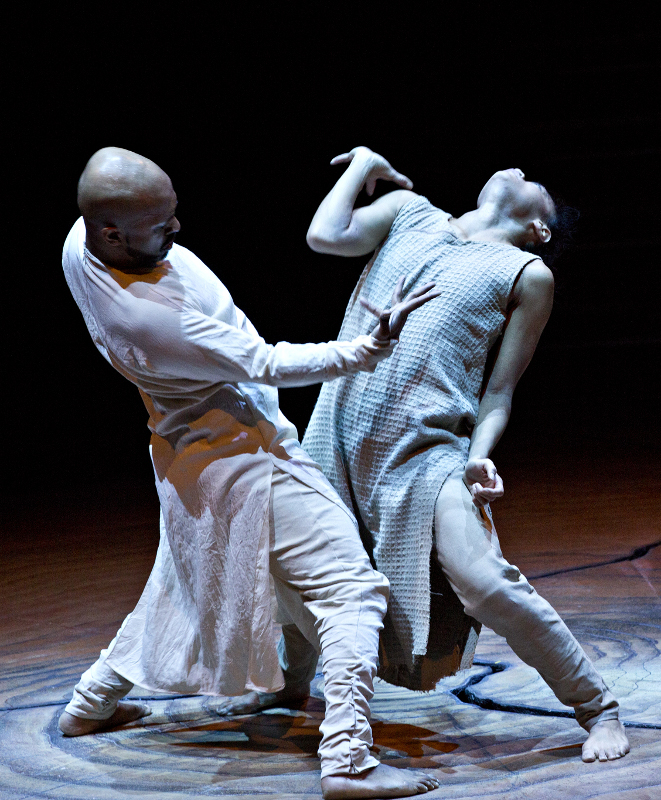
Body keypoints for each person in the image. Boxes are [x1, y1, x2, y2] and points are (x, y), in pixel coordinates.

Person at [58, 147, 443, 799]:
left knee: (178, 577)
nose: (177, 230)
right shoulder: (153, 320)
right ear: (111, 232)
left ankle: (91, 703)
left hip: (187, 457)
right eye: (160, 223)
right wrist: (368, 349)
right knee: (351, 591)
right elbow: (266, 362)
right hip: (245, 459)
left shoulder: (79, 243)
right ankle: (347, 761)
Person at [274, 145, 628, 764]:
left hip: (430, 453)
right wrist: (364, 163)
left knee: (486, 585)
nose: (517, 167)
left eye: (532, 177)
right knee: (297, 570)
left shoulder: (526, 273)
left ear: (538, 228)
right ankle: (290, 685)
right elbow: (324, 236)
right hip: (335, 434)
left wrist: (480, 456)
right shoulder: (410, 212)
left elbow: (498, 391)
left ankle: (597, 709)